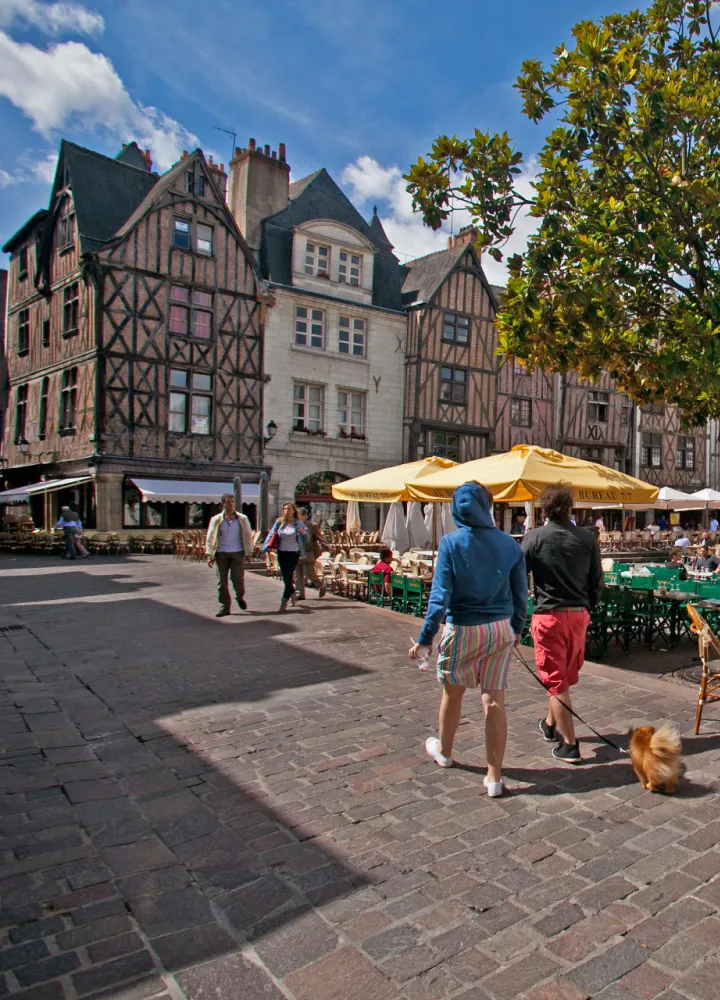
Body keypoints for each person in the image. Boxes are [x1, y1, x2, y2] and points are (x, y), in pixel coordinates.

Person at [409, 482, 527, 798]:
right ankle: (494, 777)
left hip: (462, 626)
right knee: (494, 700)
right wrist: (517, 627)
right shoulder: (510, 545)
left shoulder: (451, 543)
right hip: (500, 627)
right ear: (488, 507)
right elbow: (521, 594)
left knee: (453, 692)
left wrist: (425, 638)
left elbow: (439, 598)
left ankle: (445, 751)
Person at [522, 484, 603, 764]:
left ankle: (570, 744)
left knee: (556, 680)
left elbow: (517, 578)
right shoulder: (586, 538)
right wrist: (588, 607)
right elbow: (597, 581)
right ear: (569, 508)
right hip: (578, 614)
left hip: (549, 615)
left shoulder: (534, 538)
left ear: (544, 509)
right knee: (561, 678)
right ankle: (549, 724)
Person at [205, 493, 254, 618]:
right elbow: (210, 537)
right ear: (222, 503)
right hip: (221, 553)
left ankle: (239, 596)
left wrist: (249, 553)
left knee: (238, 579)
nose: (231, 504)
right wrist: (209, 554)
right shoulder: (216, 519)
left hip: (237, 552)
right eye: (228, 501)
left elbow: (248, 536)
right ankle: (225, 606)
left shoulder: (242, 518)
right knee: (222, 582)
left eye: (232, 501)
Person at [267, 502, 308, 612]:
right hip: (282, 552)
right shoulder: (280, 523)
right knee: (286, 578)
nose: (287, 511)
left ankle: (284, 601)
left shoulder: (299, 524)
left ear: (294, 511)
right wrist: (265, 548)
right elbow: (271, 534)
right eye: (285, 509)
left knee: (288, 575)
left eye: (289, 509)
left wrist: (303, 532)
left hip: (293, 553)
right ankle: (293, 593)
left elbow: (307, 538)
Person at [294, 508, 327, 599]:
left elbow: (319, 536)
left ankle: (321, 585)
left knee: (308, 572)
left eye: (298, 514)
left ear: (304, 516)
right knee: (297, 574)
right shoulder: (294, 525)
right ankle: (299, 594)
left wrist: (326, 545)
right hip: (296, 552)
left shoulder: (310, 526)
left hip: (307, 553)